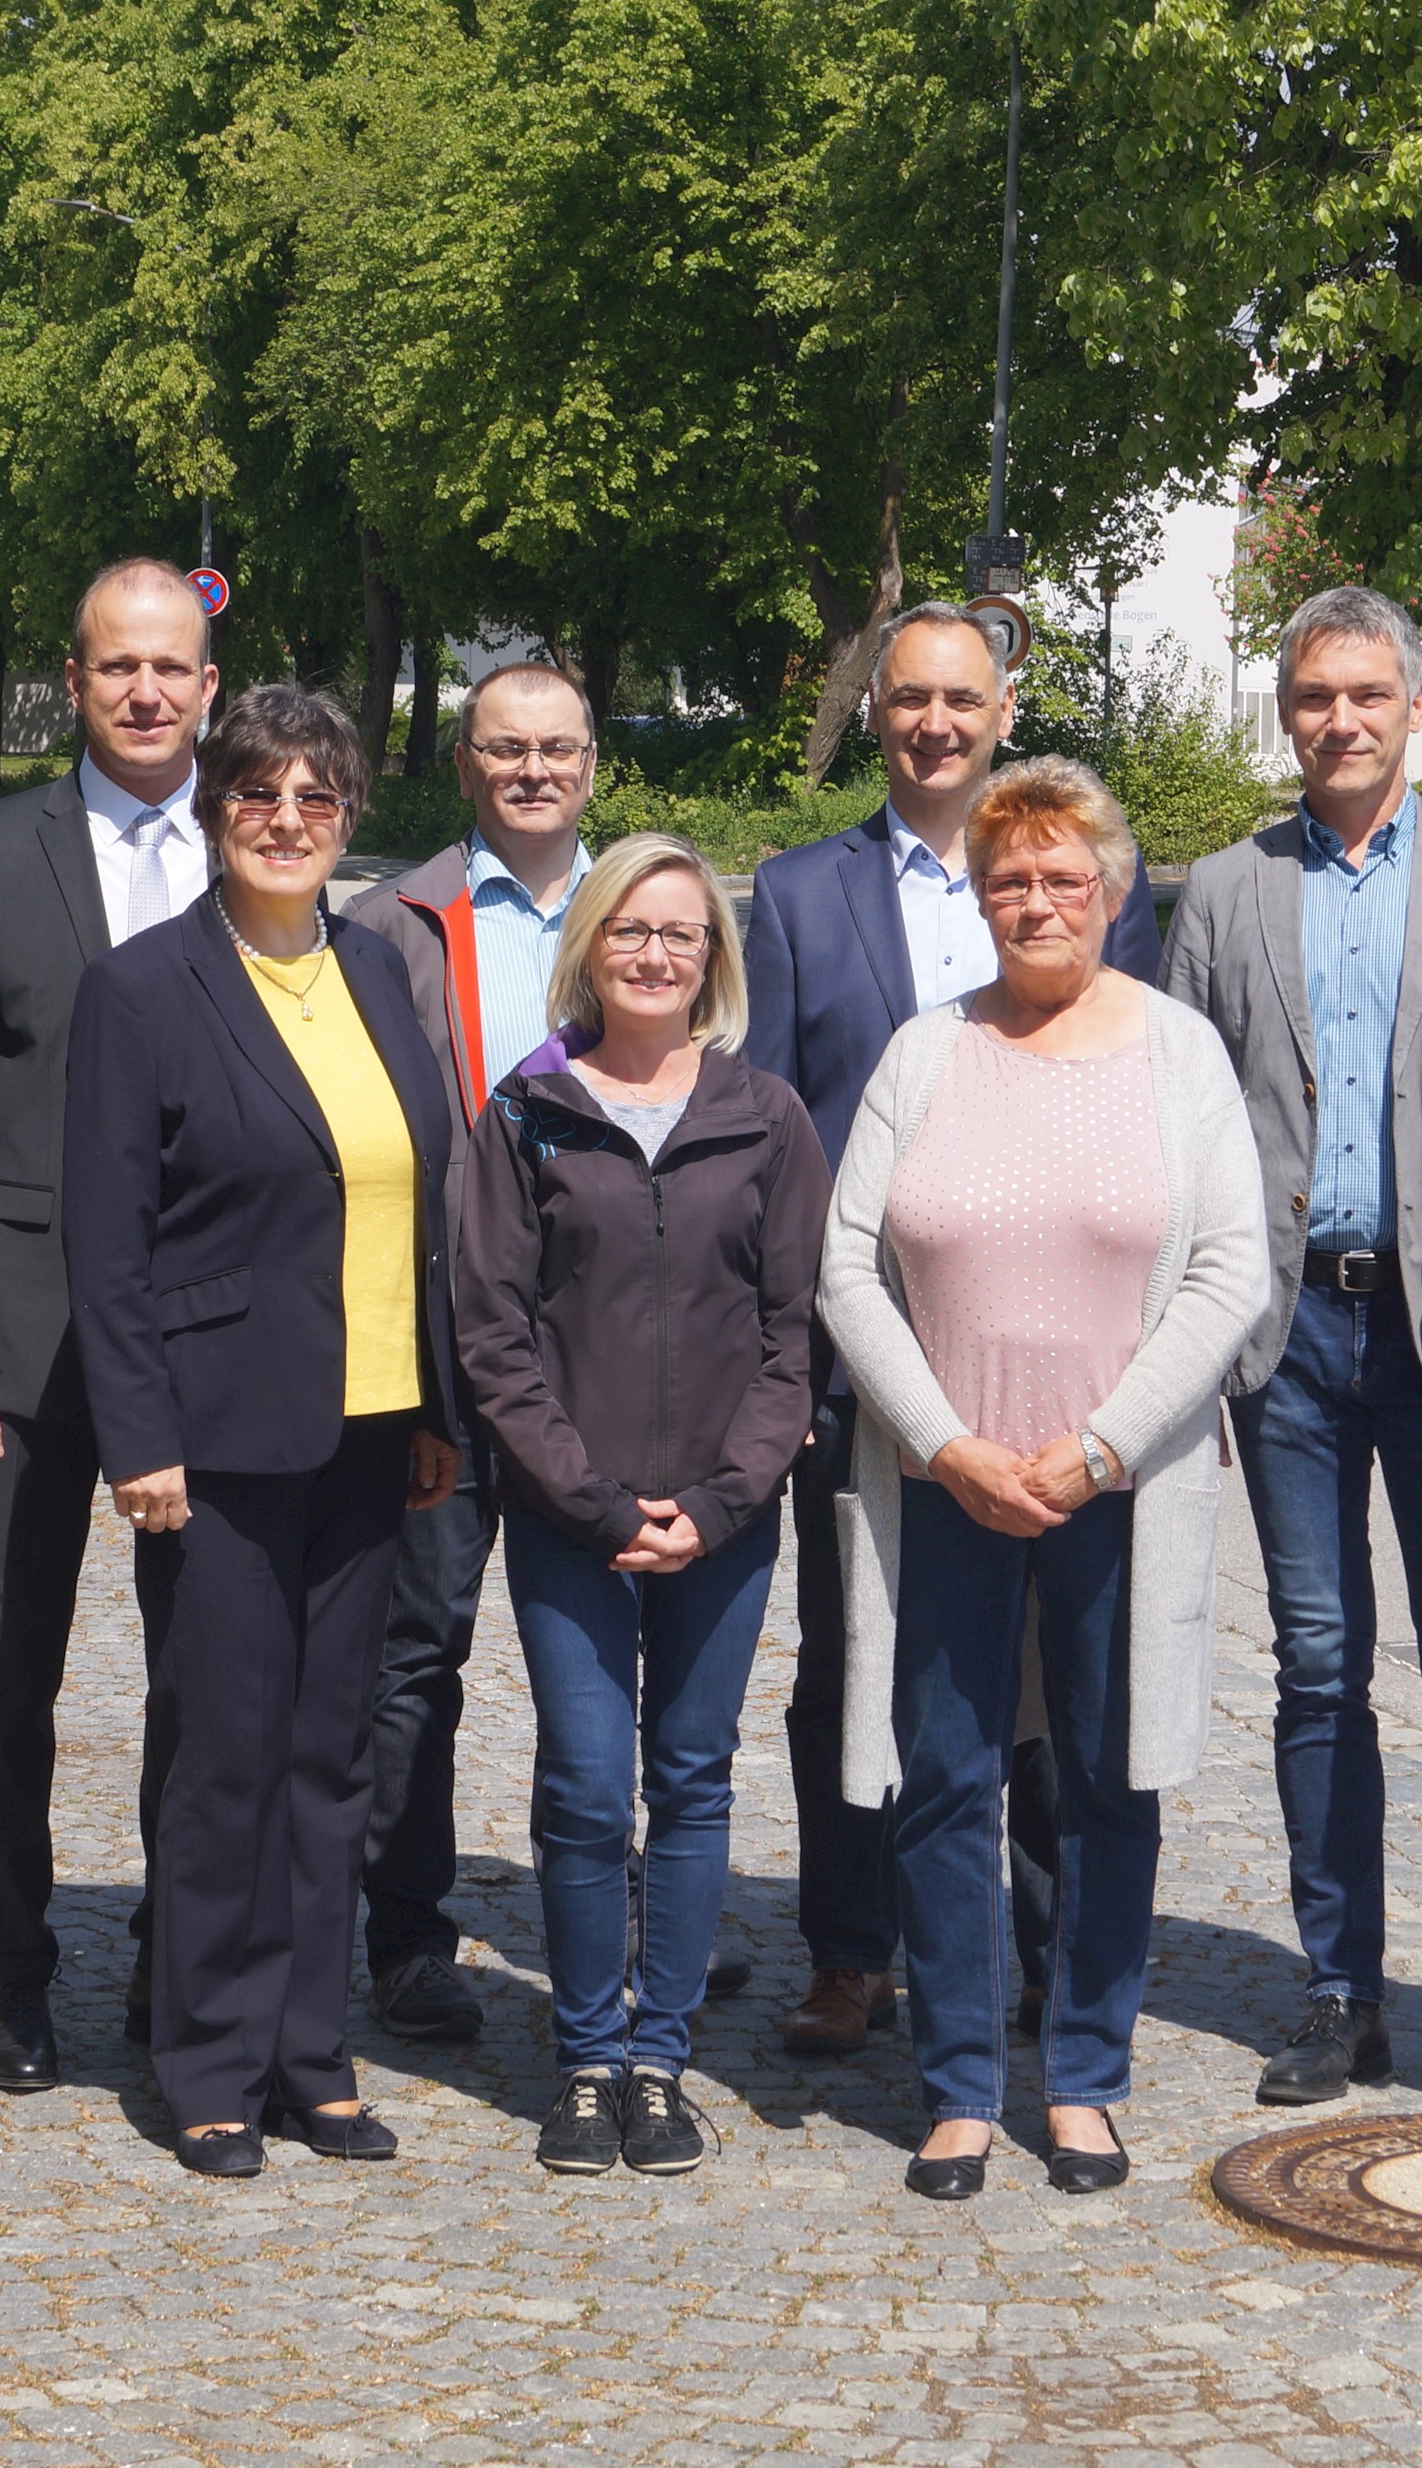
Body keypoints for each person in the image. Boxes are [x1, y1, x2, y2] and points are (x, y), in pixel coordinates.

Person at [817, 757, 1266, 2199]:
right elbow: (846, 1268)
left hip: (1115, 1486)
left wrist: (1096, 1450)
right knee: (942, 1781)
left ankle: (1082, 2072)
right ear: (978, 895)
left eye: (1064, 875)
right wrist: (945, 1445)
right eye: (1008, 876)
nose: (1035, 899)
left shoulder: (1178, 1052)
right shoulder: (923, 1051)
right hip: (945, 1481)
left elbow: (1228, 1272)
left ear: (1113, 893)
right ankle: (955, 2085)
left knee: (1102, 1781)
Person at [1163, 584, 1422, 2108]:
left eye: (1368, 695)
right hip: (1287, 1334)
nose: (1342, 720)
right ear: (1287, 712)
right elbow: (1184, 1123)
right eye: (1315, 696)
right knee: (1319, 1667)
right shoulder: (1222, 891)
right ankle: (1341, 1991)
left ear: (1417, 705)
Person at [61, 685, 468, 2178]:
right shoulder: (147, 989)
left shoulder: (373, 971)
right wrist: (137, 1437)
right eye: (258, 796)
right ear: (216, 812)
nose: (288, 822)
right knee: (224, 1751)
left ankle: (312, 2046)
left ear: (350, 816)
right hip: (217, 1439)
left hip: (372, 1425)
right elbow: (109, 1245)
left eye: (318, 798)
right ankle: (210, 2055)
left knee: (330, 1751)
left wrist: (429, 1404)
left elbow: (411, 1201)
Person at [744, 603, 1162, 2056]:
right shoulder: (799, 895)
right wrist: (793, 1355)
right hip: (873, 1350)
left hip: (1059, 1346)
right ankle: (853, 1947)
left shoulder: (1084, 871)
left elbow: (1140, 1101)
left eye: (960, 700)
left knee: (1054, 1675)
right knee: (856, 1659)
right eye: (909, 697)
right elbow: (776, 1137)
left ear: (1002, 711)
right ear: (879, 714)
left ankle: (1043, 1957)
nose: (934, 721)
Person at [454, 835, 831, 2176]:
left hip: (722, 1522)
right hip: (570, 1519)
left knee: (691, 1781)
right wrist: (595, 1498)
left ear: (712, 959)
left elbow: (797, 1336)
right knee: (583, 1783)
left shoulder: (767, 1116)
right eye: (631, 930)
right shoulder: (527, 1111)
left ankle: (661, 2059)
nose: (655, 953)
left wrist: (724, 1500)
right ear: (592, 948)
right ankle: (584, 2057)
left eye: (681, 934)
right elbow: (493, 1333)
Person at [0, 556, 215, 2096]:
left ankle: (181, 1955)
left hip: (206, 1339)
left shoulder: (266, 838)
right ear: (74, 683)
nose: (145, 692)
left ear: (210, 686)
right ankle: (13, 1973)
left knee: (204, 1673)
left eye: (171, 668)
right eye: (116, 669)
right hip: (24, 1344)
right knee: (12, 1666)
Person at [340, 655, 605, 2045]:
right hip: (443, 1349)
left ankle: (610, 1927)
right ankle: (406, 1932)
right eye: (506, 748)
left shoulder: (648, 909)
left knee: (607, 1652)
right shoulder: (391, 922)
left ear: (592, 759)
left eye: (556, 748)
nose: (532, 771)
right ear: (468, 765)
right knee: (417, 1653)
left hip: (605, 1358)